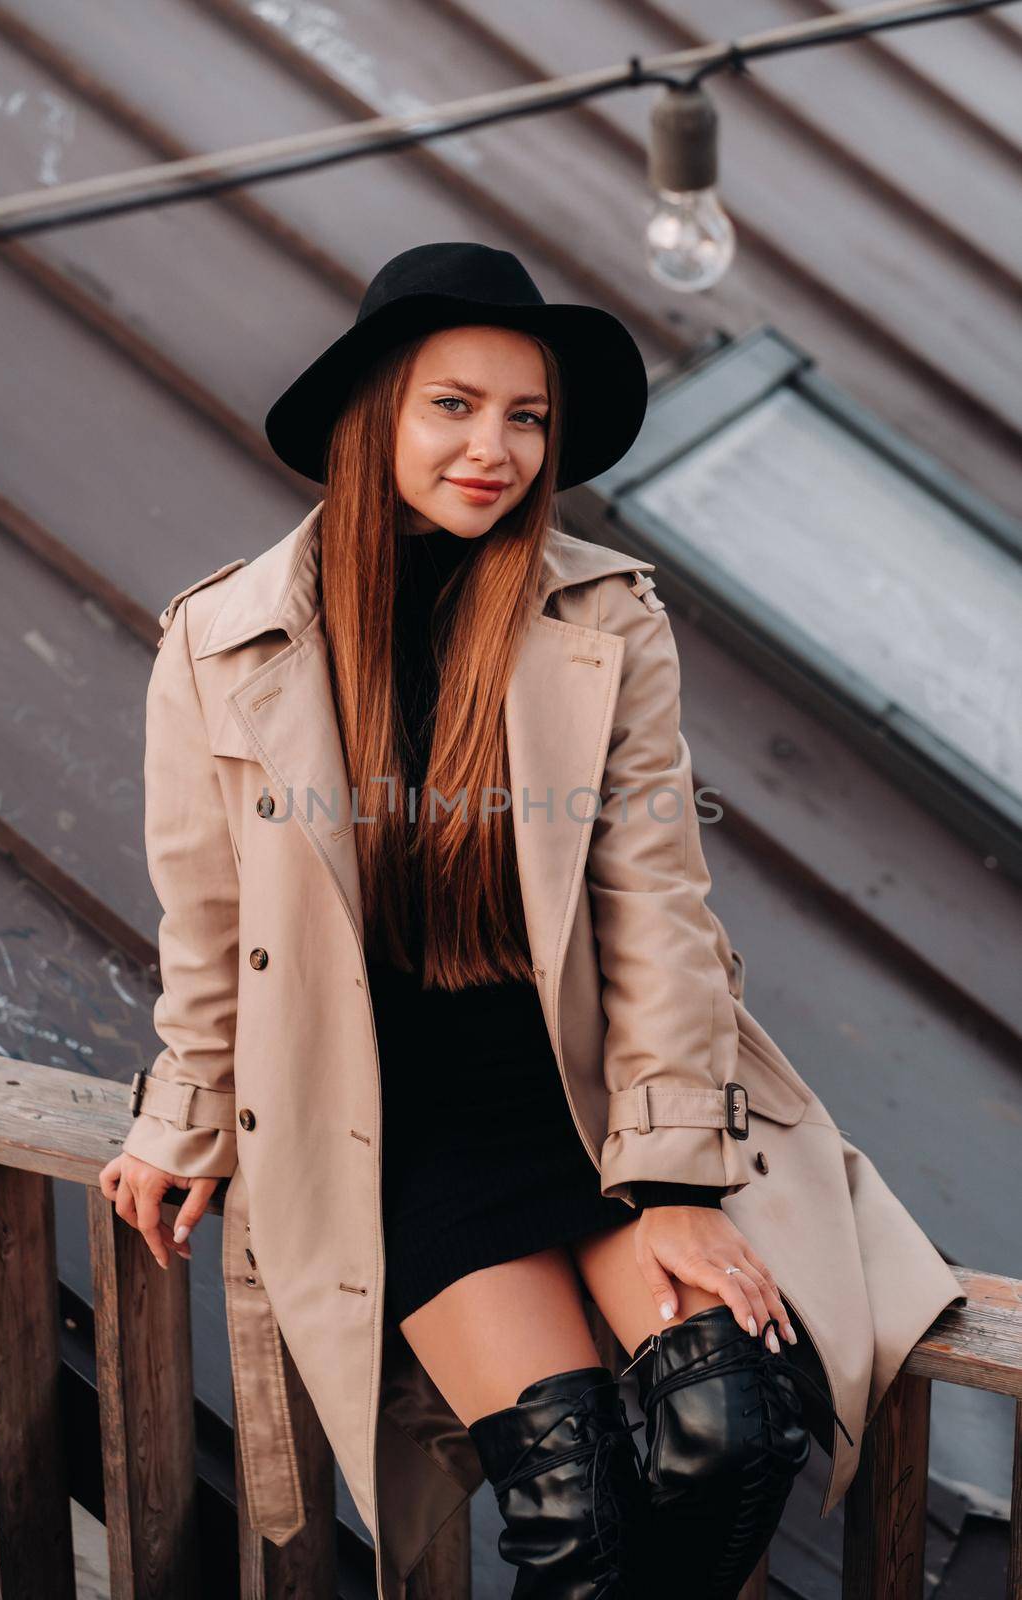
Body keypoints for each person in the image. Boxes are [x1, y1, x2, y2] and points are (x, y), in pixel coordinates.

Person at [99, 242, 963, 1600]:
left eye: (527, 416)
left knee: (730, 1431)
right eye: (454, 404)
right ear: (374, 411)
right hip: (402, 1133)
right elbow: (210, 922)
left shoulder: (602, 618)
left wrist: (674, 1183)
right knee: (575, 1517)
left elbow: (658, 901)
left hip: (581, 1102)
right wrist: (181, 1115)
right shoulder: (223, 642)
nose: (493, 447)